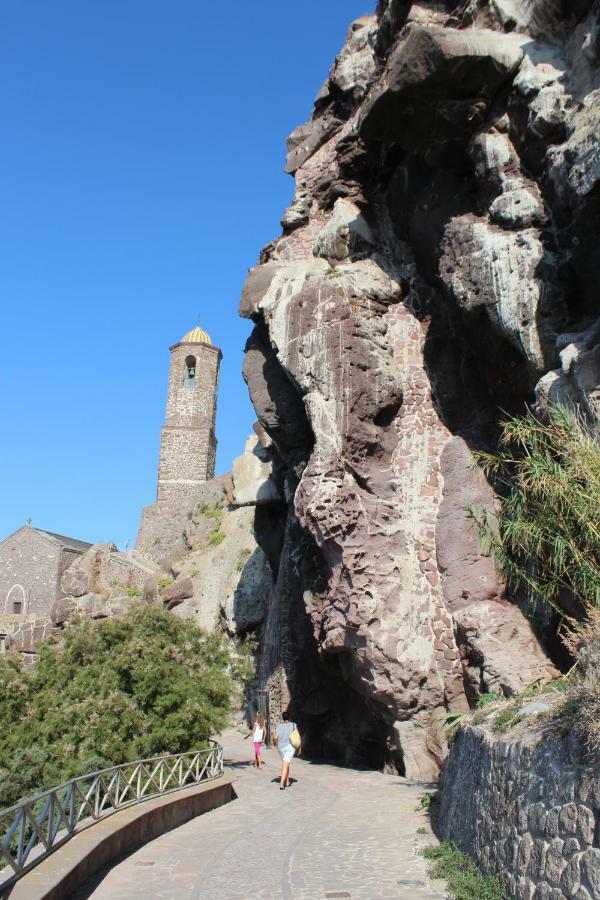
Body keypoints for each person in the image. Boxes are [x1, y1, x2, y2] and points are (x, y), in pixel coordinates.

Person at [274, 710, 300, 790]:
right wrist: (299, 748)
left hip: (281, 748)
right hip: (289, 747)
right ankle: (282, 784)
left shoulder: (279, 726)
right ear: (289, 717)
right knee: (285, 765)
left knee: (285, 763)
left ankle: (287, 781)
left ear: (283, 718)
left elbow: (275, 737)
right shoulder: (293, 725)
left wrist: (274, 744)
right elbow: (298, 737)